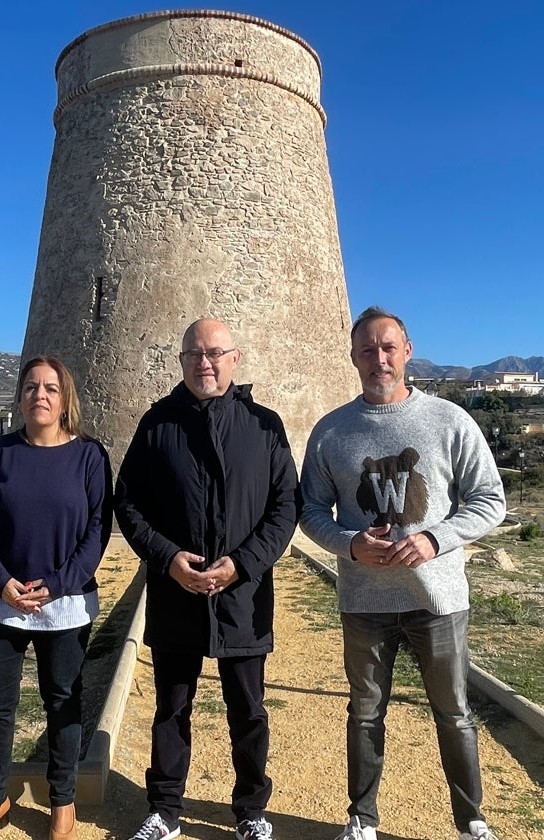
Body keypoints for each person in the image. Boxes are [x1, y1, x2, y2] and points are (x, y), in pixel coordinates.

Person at [299, 307, 507, 840]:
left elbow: (489, 500)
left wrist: (435, 539)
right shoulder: (330, 432)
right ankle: (362, 819)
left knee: (453, 713)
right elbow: (311, 511)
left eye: (388, 347)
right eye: (367, 349)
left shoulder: (449, 420)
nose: (379, 359)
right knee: (366, 713)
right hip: (365, 601)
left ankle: (472, 822)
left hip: (436, 599)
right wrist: (350, 545)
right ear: (353, 357)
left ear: (407, 351)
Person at [115, 318, 299, 840]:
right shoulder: (156, 425)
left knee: (248, 708)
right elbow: (128, 503)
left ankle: (252, 812)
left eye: (215, 353)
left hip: (243, 595)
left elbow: (285, 507)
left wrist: (243, 563)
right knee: (171, 707)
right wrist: (168, 558)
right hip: (177, 593)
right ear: (181, 361)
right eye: (195, 354)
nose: (205, 363)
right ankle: (165, 810)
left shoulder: (265, 425)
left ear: (235, 358)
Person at [0, 355, 113, 840]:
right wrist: (1, 580)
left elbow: (96, 531)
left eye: (50, 388)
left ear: (65, 397)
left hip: (64, 604)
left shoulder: (90, 456)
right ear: (20, 396)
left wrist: (62, 582)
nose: (40, 396)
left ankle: (62, 801)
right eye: (31, 387)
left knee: (63, 701)